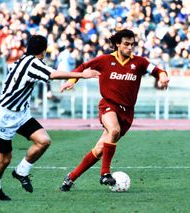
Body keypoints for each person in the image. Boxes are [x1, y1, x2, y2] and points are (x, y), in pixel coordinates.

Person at [0, 35, 100, 201]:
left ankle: (21, 172)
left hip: (21, 113)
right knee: (4, 160)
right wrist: (83, 75)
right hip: (4, 115)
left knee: (43, 141)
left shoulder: (28, 60)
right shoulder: (32, 63)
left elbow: (49, 74)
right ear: (44, 50)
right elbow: (53, 75)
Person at [59, 29, 169, 191]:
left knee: (99, 149)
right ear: (117, 44)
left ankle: (70, 178)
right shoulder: (104, 60)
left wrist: (163, 76)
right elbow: (82, 67)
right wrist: (72, 80)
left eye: (132, 44)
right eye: (126, 44)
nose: (130, 47)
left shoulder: (139, 62)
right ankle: (105, 173)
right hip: (108, 105)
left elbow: (157, 70)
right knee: (114, 130)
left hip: (127, 113)